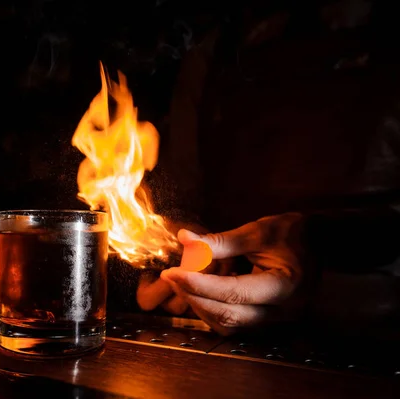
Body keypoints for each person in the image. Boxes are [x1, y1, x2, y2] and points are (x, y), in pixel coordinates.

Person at [132, 0, 400, 335]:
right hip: (225, 345)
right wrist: (185, 253)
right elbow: (187, 195)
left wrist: (325, 271)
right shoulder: (219, 51)